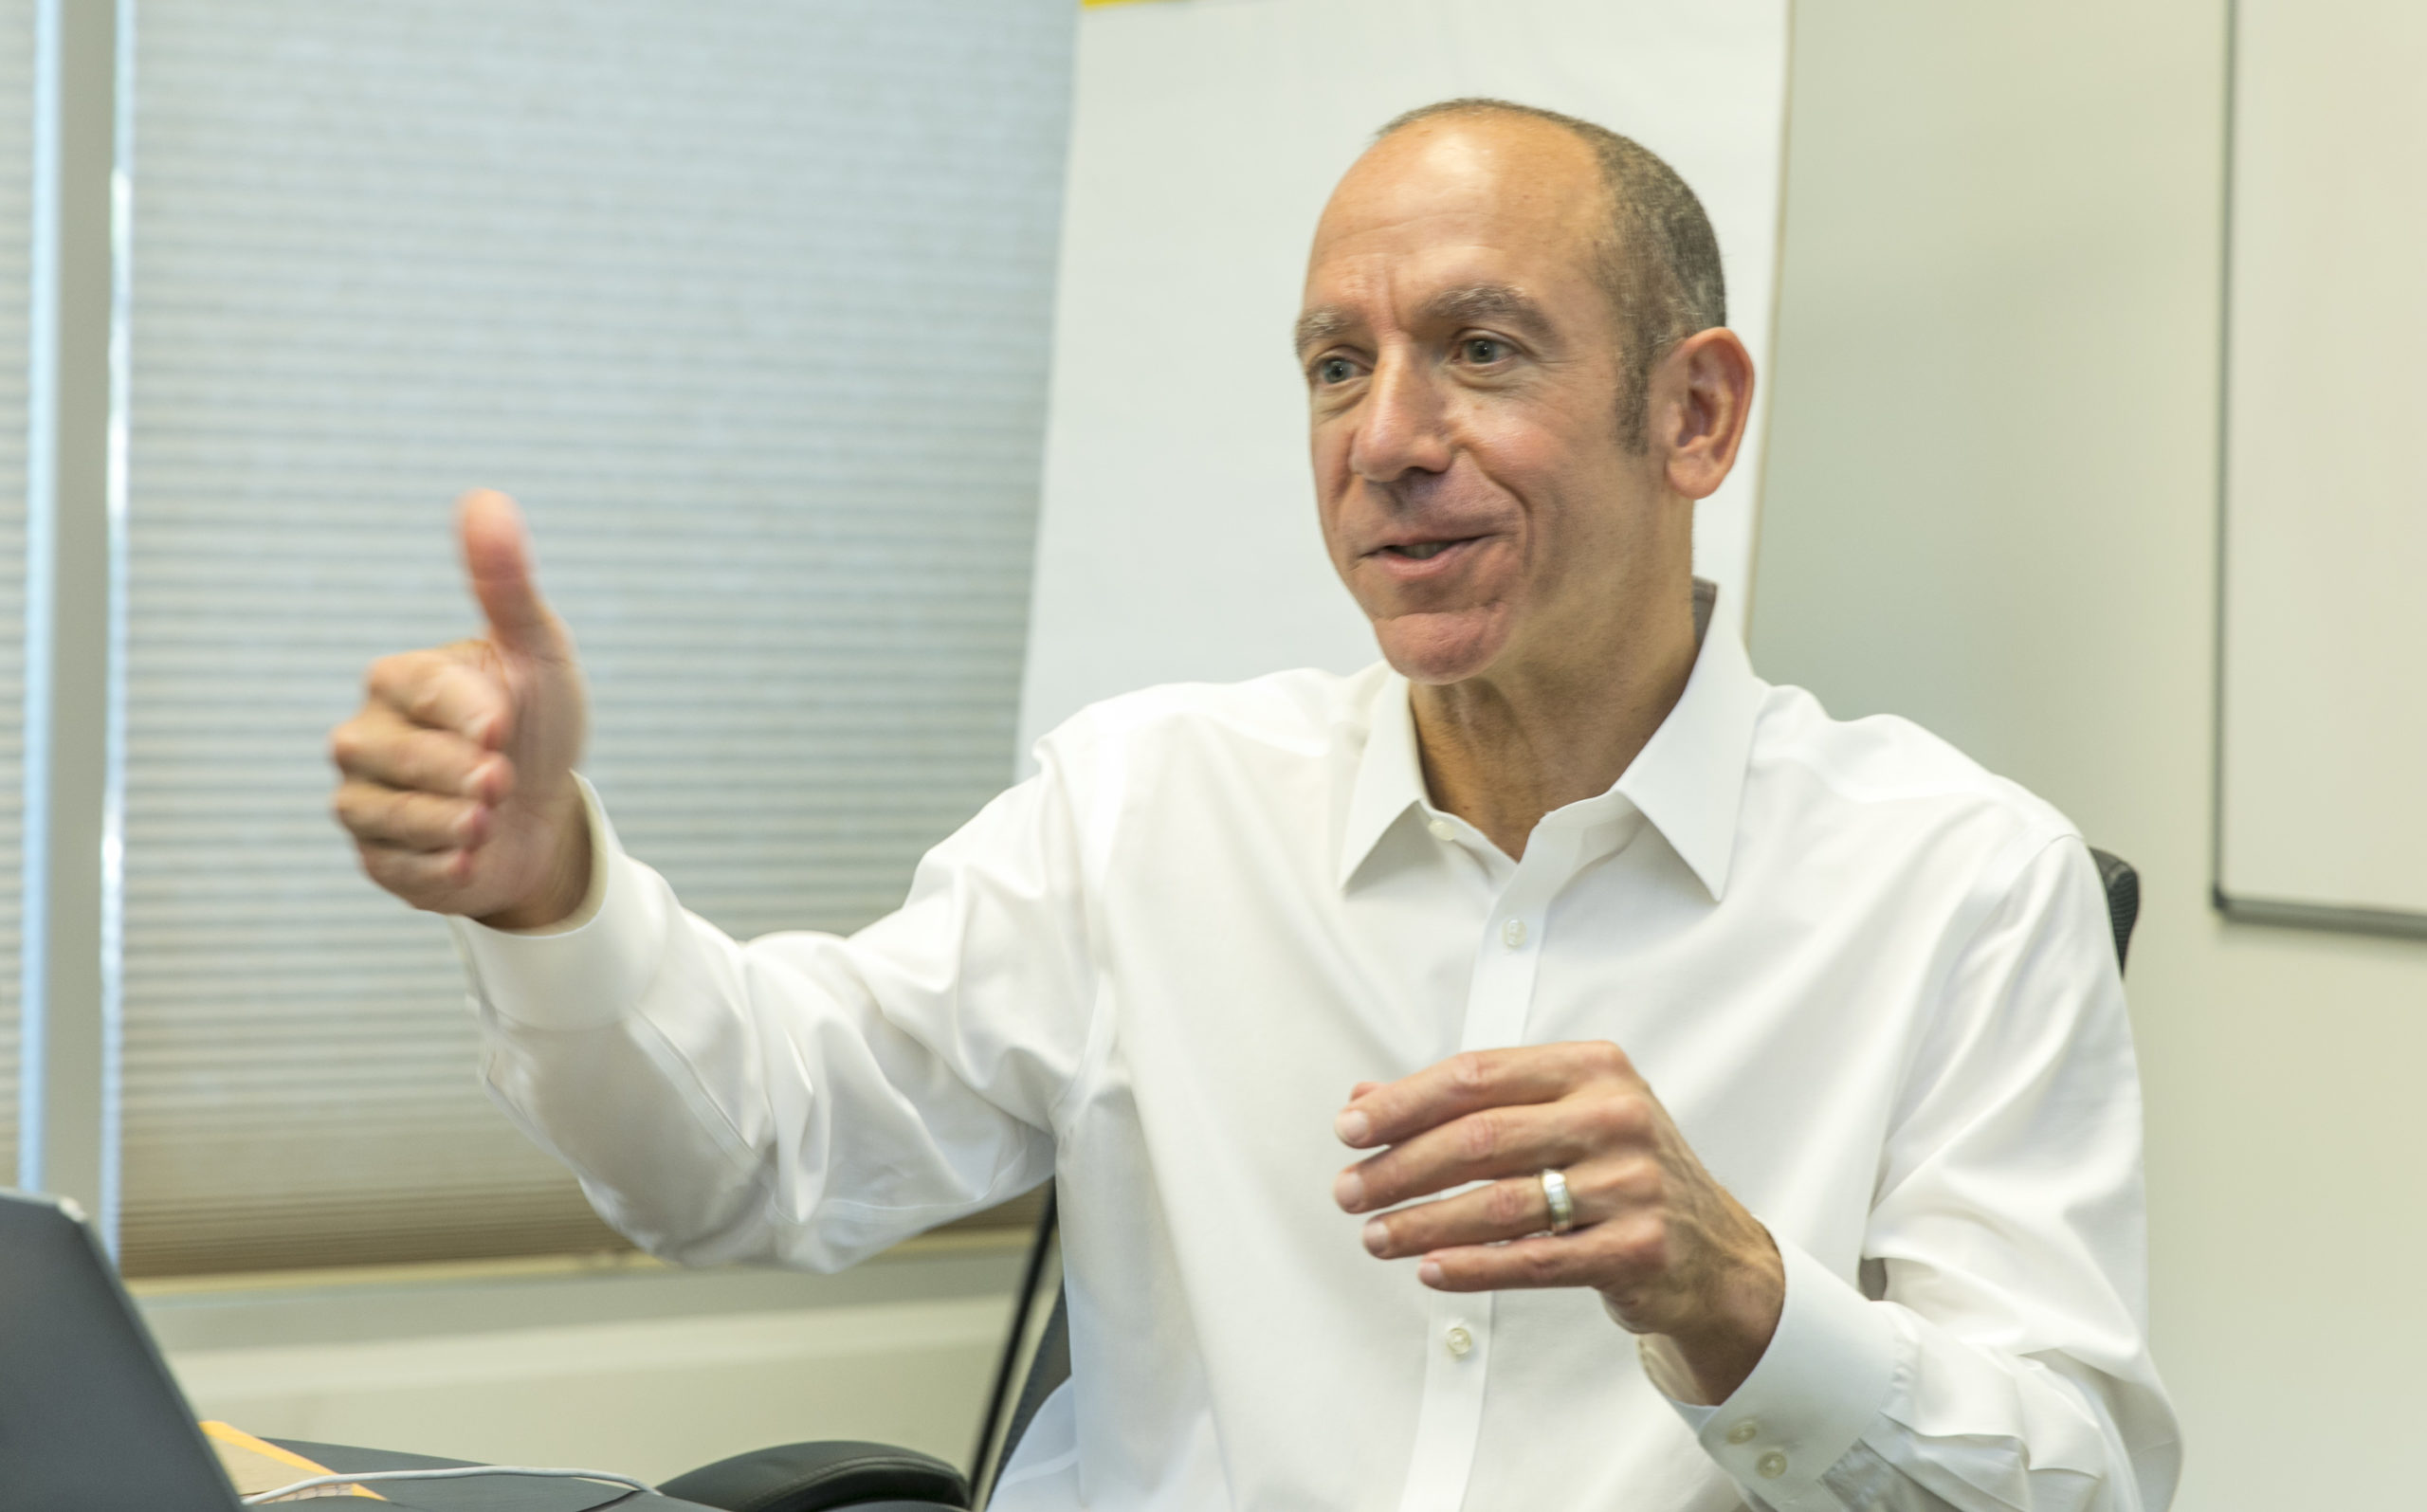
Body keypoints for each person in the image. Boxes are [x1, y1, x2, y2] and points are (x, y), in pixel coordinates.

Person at [328, 99, 2179, 1510]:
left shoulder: (1959, 885)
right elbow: (750, 1152)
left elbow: (2072, 1480)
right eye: (1334, 366)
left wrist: (1739, 1298)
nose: (1384, 439)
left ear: (1691, 415)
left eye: (1480, 349)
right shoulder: (1146, 807)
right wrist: (546, 893)